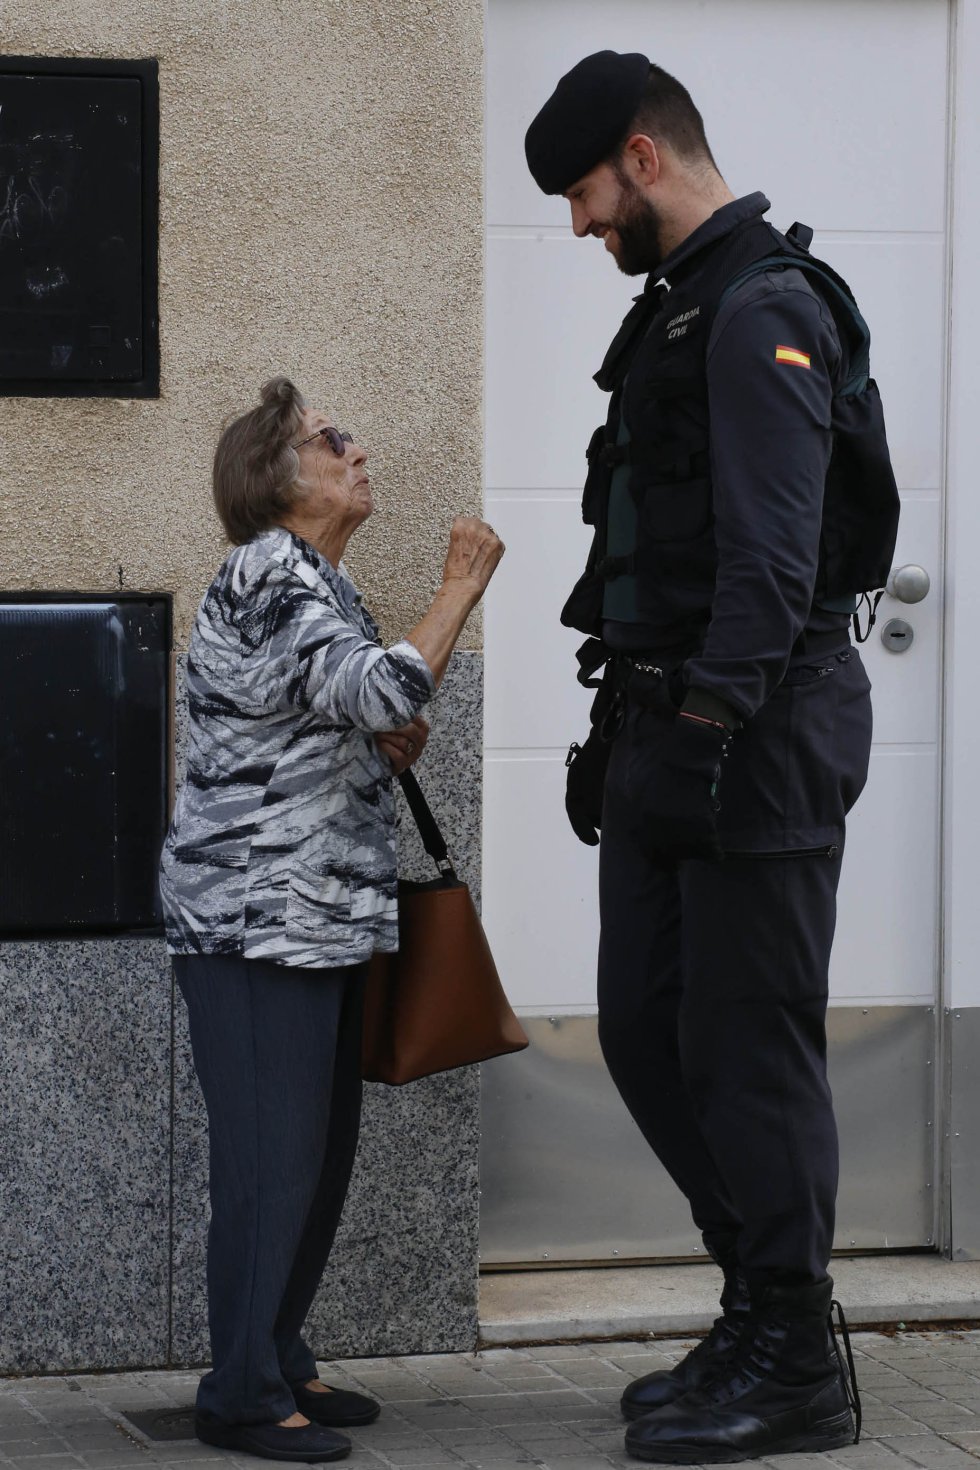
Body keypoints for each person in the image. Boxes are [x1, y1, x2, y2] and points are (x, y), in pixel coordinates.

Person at [525, 52, 895, 1464]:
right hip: (672, 724)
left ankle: (796, 1353)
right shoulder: (682, 310)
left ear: (642, 153)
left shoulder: (763, 312)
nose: (574, 225)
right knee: (645, 1027)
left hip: (760, 732)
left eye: (580, 191)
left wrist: (704, 734)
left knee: (749, 1050)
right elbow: (659, 554)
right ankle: (756, 1302)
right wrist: (625, 733)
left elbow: (772, 561)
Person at [159, 377, 504, 1464]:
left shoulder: (319, 582)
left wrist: (380, 737)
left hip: (316, 914)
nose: (356, 450)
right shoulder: (267, 569)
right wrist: (456, 589)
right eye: (328, 440)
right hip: (257, 916)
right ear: (277, 479)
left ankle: (277, 1353)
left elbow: (346, 707)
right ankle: (241, 1395)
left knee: (315, 1153)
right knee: (272, 1160)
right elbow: (380, 689)